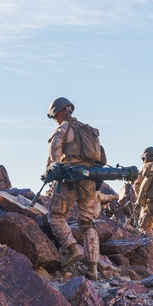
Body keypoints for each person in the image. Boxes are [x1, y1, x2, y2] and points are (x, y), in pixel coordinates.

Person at [44, 97, 104, 278]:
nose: (55, 118)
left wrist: (48, 173)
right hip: (90, 181)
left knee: (55, 216)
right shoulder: (88, 130)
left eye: (55, 115)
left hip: (69, 181)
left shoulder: (62, 129)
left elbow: (54, 156)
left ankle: (72, 249)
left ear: (61, 112)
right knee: (88, 223)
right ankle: (93, 268)